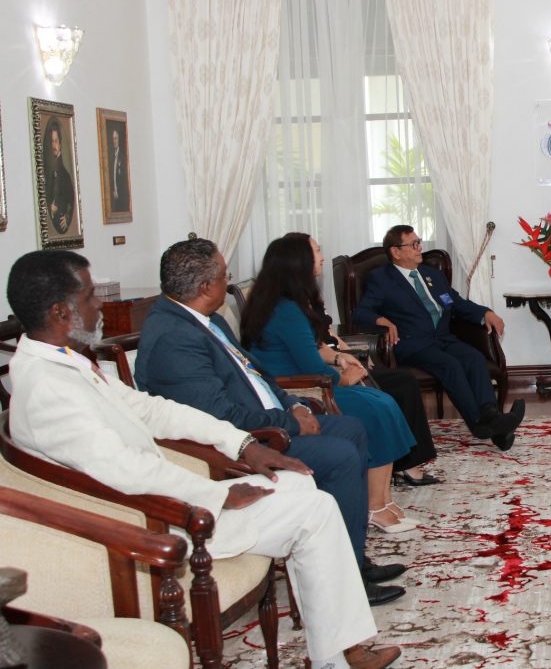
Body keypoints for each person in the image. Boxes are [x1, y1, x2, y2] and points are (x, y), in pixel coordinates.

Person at [5, 250, 400, 669]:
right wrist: (214, 494)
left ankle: (339, 648)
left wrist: (242, 444)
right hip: (151, 522)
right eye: (89, 296)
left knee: (300, 482)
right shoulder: (49, 388)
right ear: (61, 312)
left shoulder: (64, 362)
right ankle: (338, 657)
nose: (99, 304)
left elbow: (153, 410)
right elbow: (124, 472)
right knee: (316, 508)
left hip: (164, 497)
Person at [134, 238, 405, 605]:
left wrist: (295, 405)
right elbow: (220, 416)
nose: (228, 280)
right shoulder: (174, 339)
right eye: (224, 275)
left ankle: (351, 557)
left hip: (270, 419)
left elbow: (256, 376)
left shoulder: (206, 320)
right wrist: (289, 423)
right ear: (205, 287)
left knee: (353, 429)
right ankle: (342, 583)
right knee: (340, 455)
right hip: (248, 443)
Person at [240, 233, 421, 533]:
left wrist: (339, 360)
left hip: (308, 379)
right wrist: (345, 377)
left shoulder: (285, 301)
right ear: (298, 262)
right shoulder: (285, 309)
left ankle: (383, 500)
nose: (322, 256)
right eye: (316, 251)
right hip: (301, 389)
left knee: (384, 402)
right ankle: (373, 507)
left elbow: (311, 350)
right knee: (377, 408)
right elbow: (309, 365)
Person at [352, 225, 525, 451]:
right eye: (413, 244)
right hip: (412, 343)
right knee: (450, 365)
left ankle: (491, 418)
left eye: (419, 241)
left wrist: (485, 312)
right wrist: (381, 321)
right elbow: (360, 313)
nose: (419, 247)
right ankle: (479, 424)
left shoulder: (431, 274)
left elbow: (456, 303)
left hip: (442, 339)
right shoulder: (381, 279)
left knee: (473, 358)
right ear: (395, 251)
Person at [43, 117, 75, 234]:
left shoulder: (65, 176)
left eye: (56, 141)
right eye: (51, 141)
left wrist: (67, 217)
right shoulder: (48, 172)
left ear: (60, 144)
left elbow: (71, 200)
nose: (53, 145)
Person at [108, 126, 130, 213]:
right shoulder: (111, 157)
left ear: (119, 139)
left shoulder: (123, 157)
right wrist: (113, 191)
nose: (114, 141)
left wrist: (118, 192)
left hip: (122, 197)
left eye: (116, 138)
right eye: (113, 139)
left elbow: (124, 179)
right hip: (113, 197)